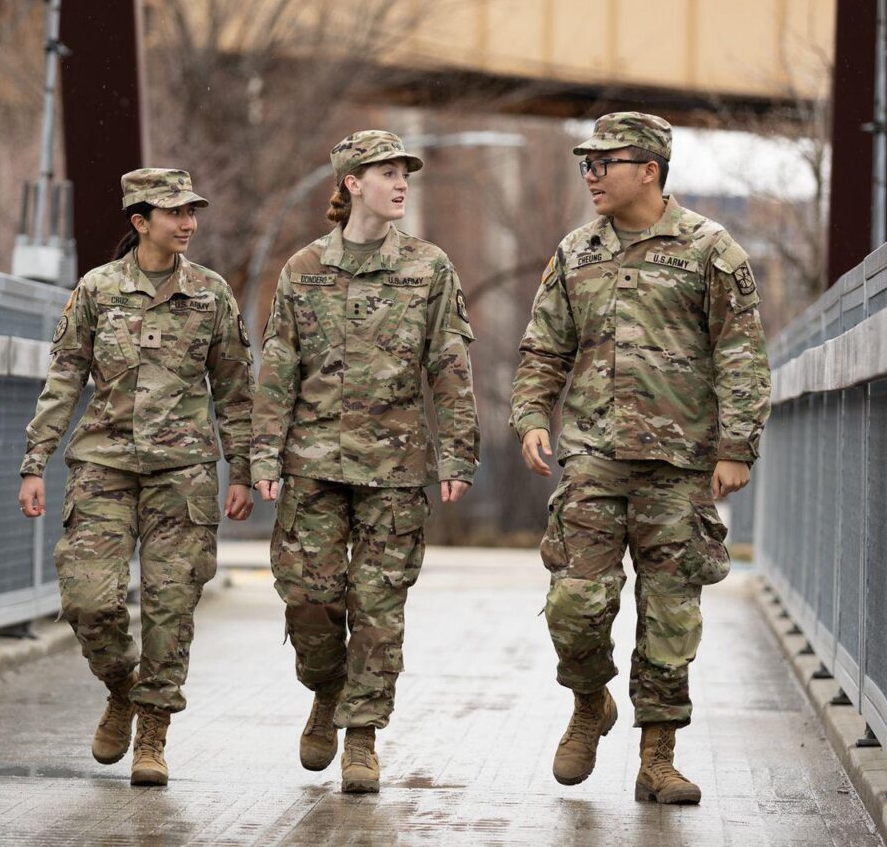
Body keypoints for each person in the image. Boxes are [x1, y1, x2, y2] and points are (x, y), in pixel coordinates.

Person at [510, 112, 770, 804]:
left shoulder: (712, 251)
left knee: (670, 615)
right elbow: (544, 347)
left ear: (648, 170)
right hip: (593, 457)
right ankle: (589, 703)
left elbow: (741, 355)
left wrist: (736, 446)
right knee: (575, 604)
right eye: (584, 164)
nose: (590, 175)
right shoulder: (575, 253)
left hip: (679, 465)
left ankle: (658, 758)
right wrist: (532, 415)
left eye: (605, 163)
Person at [252, 129, 480, 794]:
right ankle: (325, 689)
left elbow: (449, 365)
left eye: (405, 172)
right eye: (386, 171)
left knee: (379, 609)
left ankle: (361, 738)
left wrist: (458, 450)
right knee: (309, 603)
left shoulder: (429, 267)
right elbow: (279, 370)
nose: (401, 182)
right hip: (314, 466)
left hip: (397, 468)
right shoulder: (303, 270)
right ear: (352, 183)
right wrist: (264, 451)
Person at [17, 167, 253, 788]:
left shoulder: (211, 294)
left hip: (184, 473)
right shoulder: (96, 291)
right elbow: (64, 378)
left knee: (172, 607)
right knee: (88, 600)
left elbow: (234, 389)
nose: (187, 223)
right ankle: (123, 687)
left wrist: (244, 472)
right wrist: (35, 461)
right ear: (139, 222)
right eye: (174, 213)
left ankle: (152, 732)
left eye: (191, 211)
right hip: (103, 466)